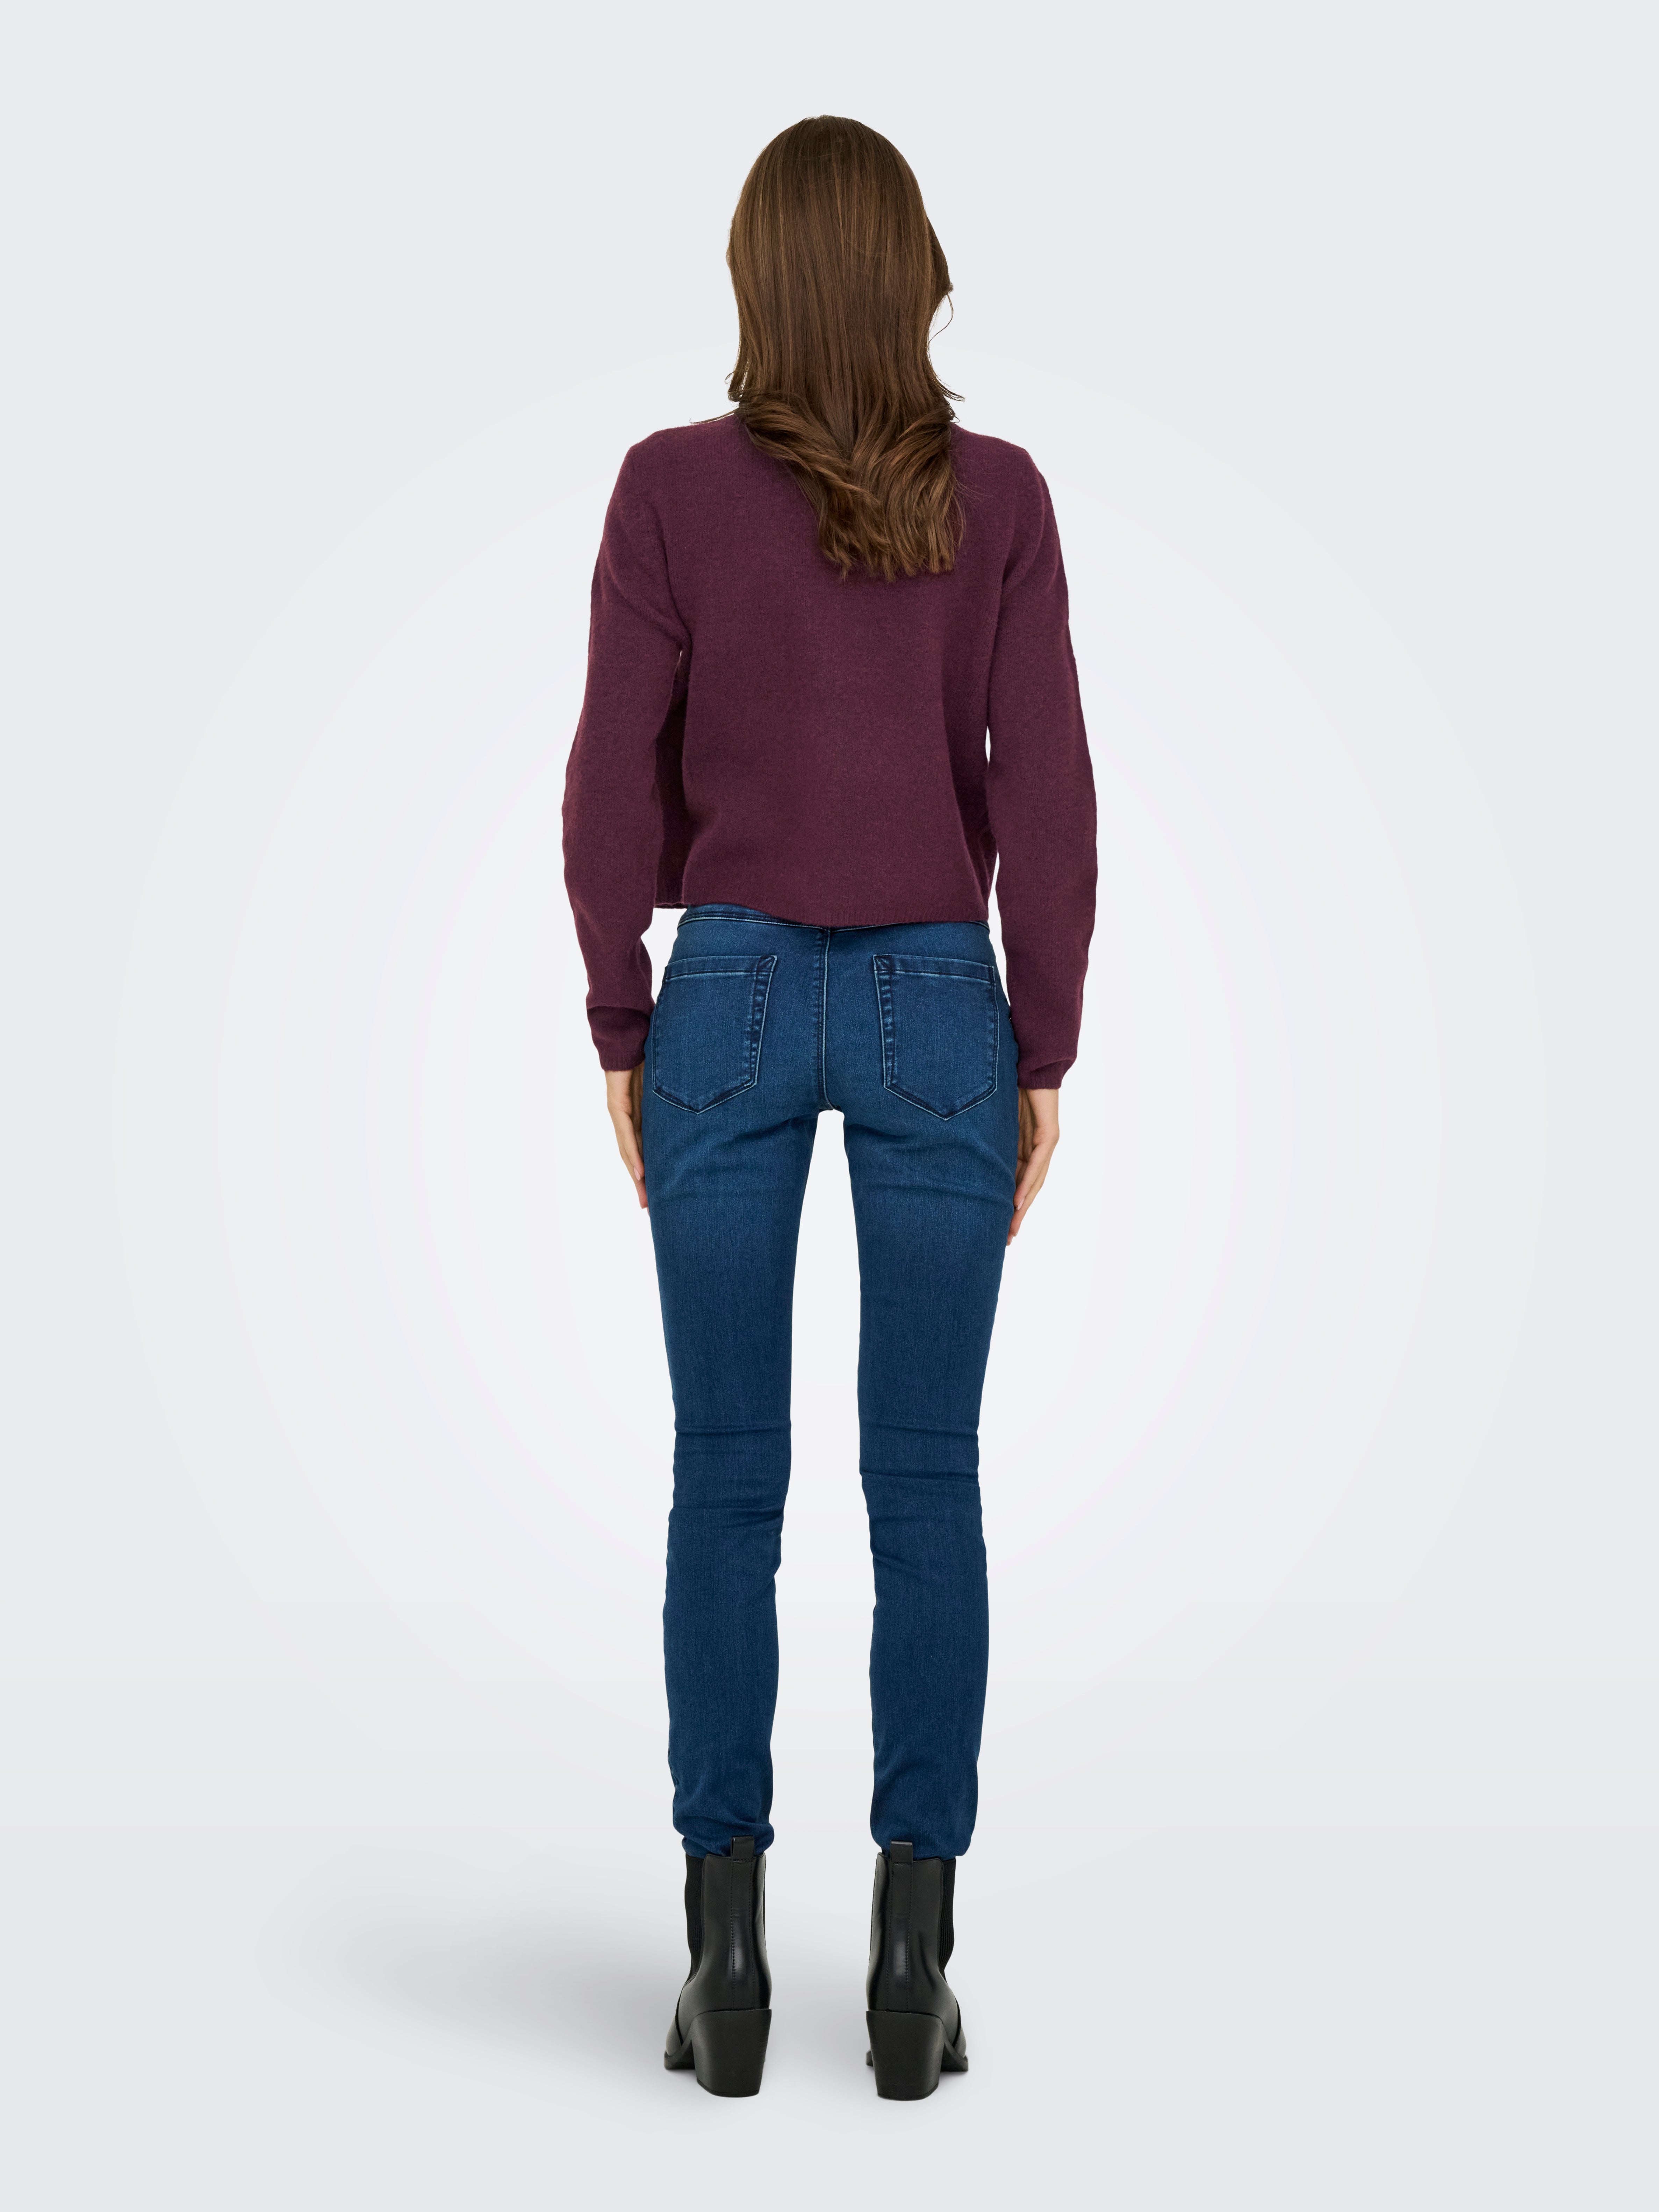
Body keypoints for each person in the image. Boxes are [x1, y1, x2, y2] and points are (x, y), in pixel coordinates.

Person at [562, 115, 1096, 2099]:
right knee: (926, 1480)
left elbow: (608, 776)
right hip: (937, 998)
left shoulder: (668, 491)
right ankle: (906, 1966)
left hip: (726, 992)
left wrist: (624, 1009)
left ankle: (724, 1972)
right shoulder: (1002, 498)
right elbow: (1049, 790)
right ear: (913, 274)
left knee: (725, 1472)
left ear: (757, 281)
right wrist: (1043, 1044)